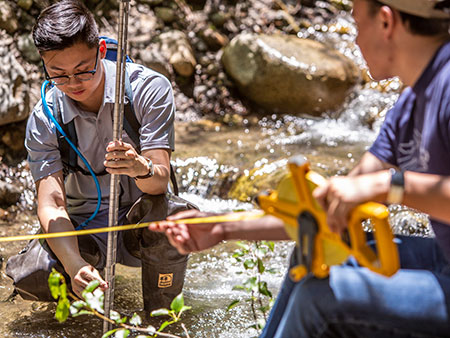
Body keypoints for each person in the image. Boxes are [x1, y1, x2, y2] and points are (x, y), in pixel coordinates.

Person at [150, 0, 450, 336]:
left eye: (356, 24)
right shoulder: (408, 108)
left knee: (319, 298)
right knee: (313, 249)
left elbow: (380, 186)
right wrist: (223, 228)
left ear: (386, 22)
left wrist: (388, 186)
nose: (354, 41)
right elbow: (321, 211)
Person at [5, 0, 188, 312]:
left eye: (82, 70)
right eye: (58, 74)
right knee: (33, 273)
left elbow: (158, 185)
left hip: (139, 219)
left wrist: (140, 167)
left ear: (101, 50)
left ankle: (162, 316)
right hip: (84, 226)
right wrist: (74, 264)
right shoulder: (44, 119)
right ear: (44, 65)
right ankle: (81, 299)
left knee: (173, 219)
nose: (73, 84)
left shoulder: (148, 90)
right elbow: (52, 203)